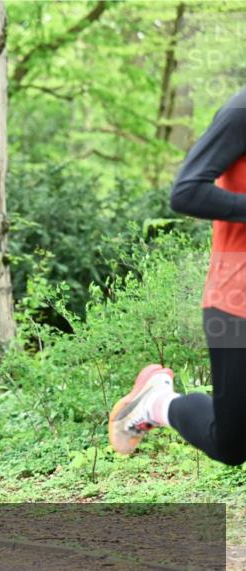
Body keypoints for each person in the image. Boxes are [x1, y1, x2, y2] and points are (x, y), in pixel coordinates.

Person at [109, 86, 246, 466]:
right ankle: (156, 403)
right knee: (231, 444)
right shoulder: (242, 109)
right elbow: (186, 191)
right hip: (237, 298)